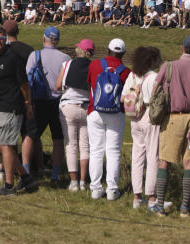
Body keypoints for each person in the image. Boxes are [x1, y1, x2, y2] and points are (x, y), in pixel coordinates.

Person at [0, 25, 37, 196]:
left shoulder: (13, 57)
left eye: (1, 37)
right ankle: (26, 177)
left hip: (10, 107)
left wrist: (27, 103)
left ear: (6, 39)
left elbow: (24, 84)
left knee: (7, 145)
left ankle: (9, 186)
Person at [148, 36, 190, 216]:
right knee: (189, 163)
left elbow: (154, 91)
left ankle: (159, 205)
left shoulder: (169, 66)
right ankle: (185, 207)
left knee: (164, 161)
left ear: (182, 48)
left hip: (174, 117)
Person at [23, 27, 70, 183]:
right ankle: (55, 174)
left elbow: (27, 79)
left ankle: (26, 170)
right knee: (58, 139)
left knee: (30, 136)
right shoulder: (65, 58)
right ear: (57, 41)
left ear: (44, 39)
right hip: (58, 102)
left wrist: (28, 102)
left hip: (38, 101)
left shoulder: (34, 55)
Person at [87, 38, 130, 200]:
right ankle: (112, 189)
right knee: (113, 152)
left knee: (96, 151)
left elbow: (90, 84)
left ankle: (95, 189)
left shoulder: (94, 65)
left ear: (108, 50)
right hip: (116, 114)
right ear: (123, 53)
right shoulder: (126, 72)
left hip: (95, 111)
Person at [125, 46, 161, 209]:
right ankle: (152, 197)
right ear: (152, 60)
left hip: (134, 117)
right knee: (153, 155)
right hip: (149, 115)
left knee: (137, 155)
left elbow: (123, 97)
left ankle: (137, 196)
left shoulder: (133, 75)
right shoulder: (154, 77)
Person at [56, 38, 94, 191]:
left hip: (68, 106)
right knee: (85, 146)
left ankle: (73, 182)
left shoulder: (67, 64)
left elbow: (58, 86)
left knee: (71, 145)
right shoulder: (93, 66)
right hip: (86, 108)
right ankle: (84, 181)